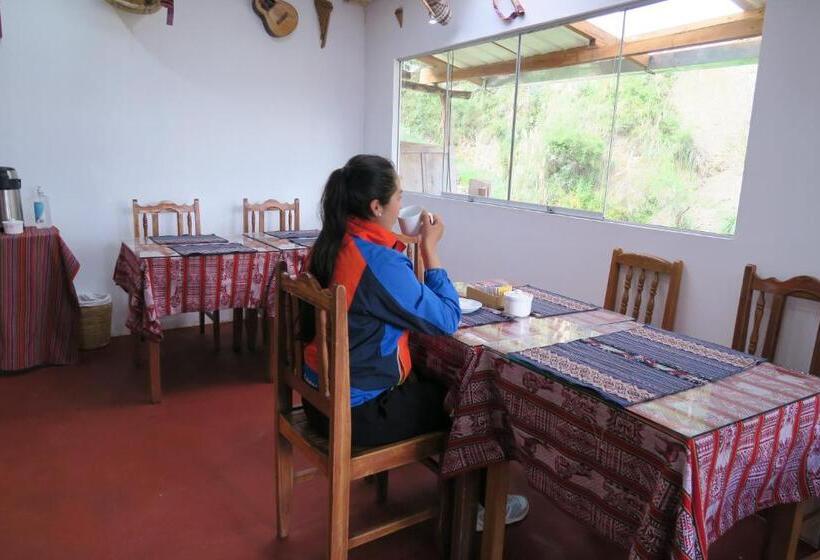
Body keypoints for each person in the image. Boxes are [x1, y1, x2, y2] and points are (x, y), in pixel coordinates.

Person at [302, 154, 528, 527]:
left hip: (319, 400)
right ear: (376, 206)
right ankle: (478, 507)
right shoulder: (378, 261)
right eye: (398, 195)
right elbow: (445, 319)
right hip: (355, 414)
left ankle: (470, 496)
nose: (400, 203)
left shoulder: (337, 242)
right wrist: (430, 249)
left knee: (436, 380)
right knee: (470, 397)